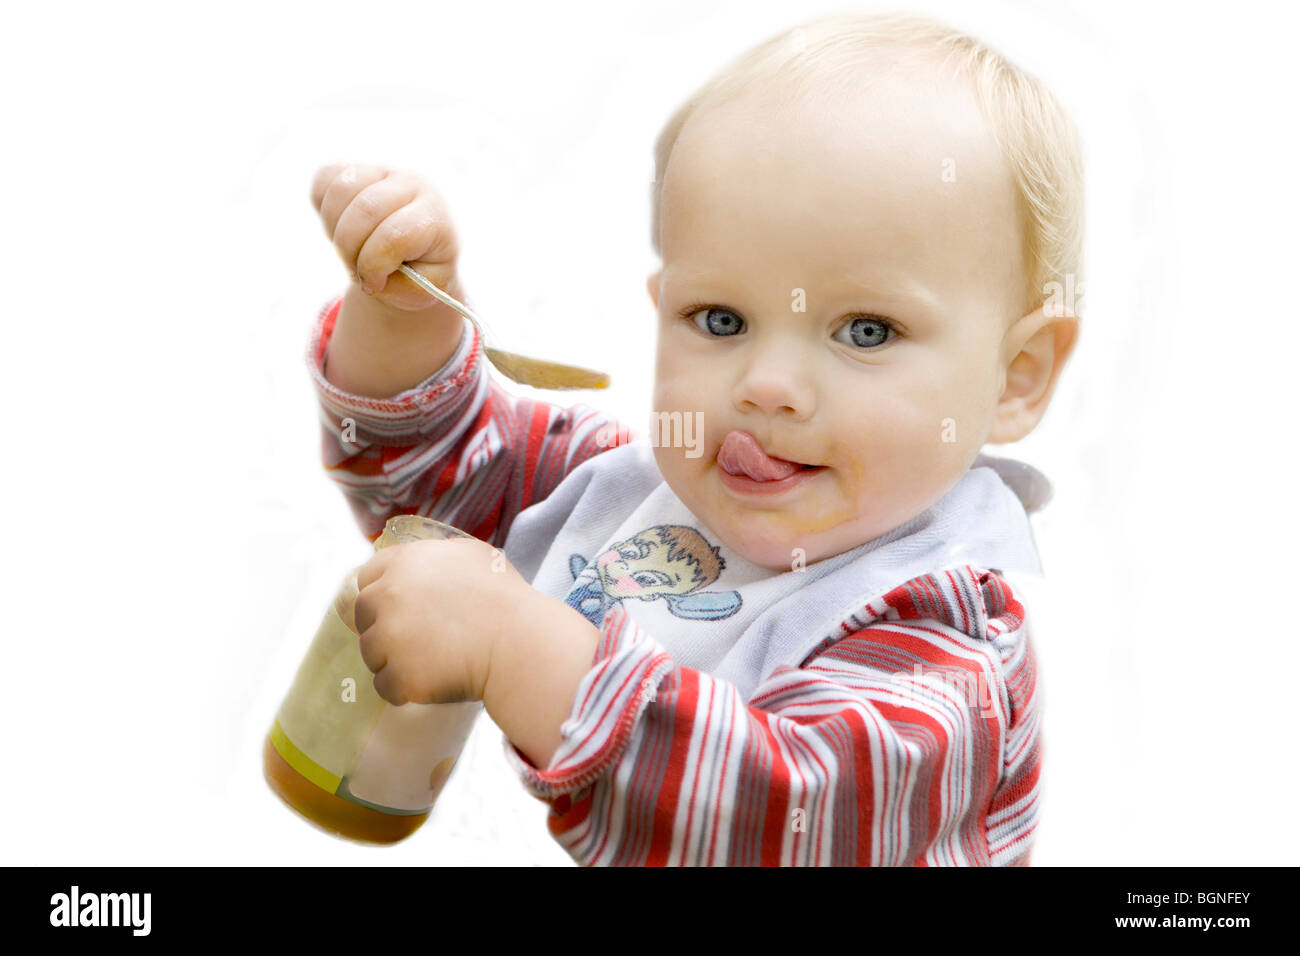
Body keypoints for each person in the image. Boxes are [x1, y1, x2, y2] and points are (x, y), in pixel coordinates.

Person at [302, 10, 1082, 865]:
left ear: (1016, 377)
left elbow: (774, 815)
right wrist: (404, 316)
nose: (767, 386)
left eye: (865, 331)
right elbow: (441, 475)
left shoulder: (945, 645)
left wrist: (511, 645)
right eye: (720, 319)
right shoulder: (639, 494)